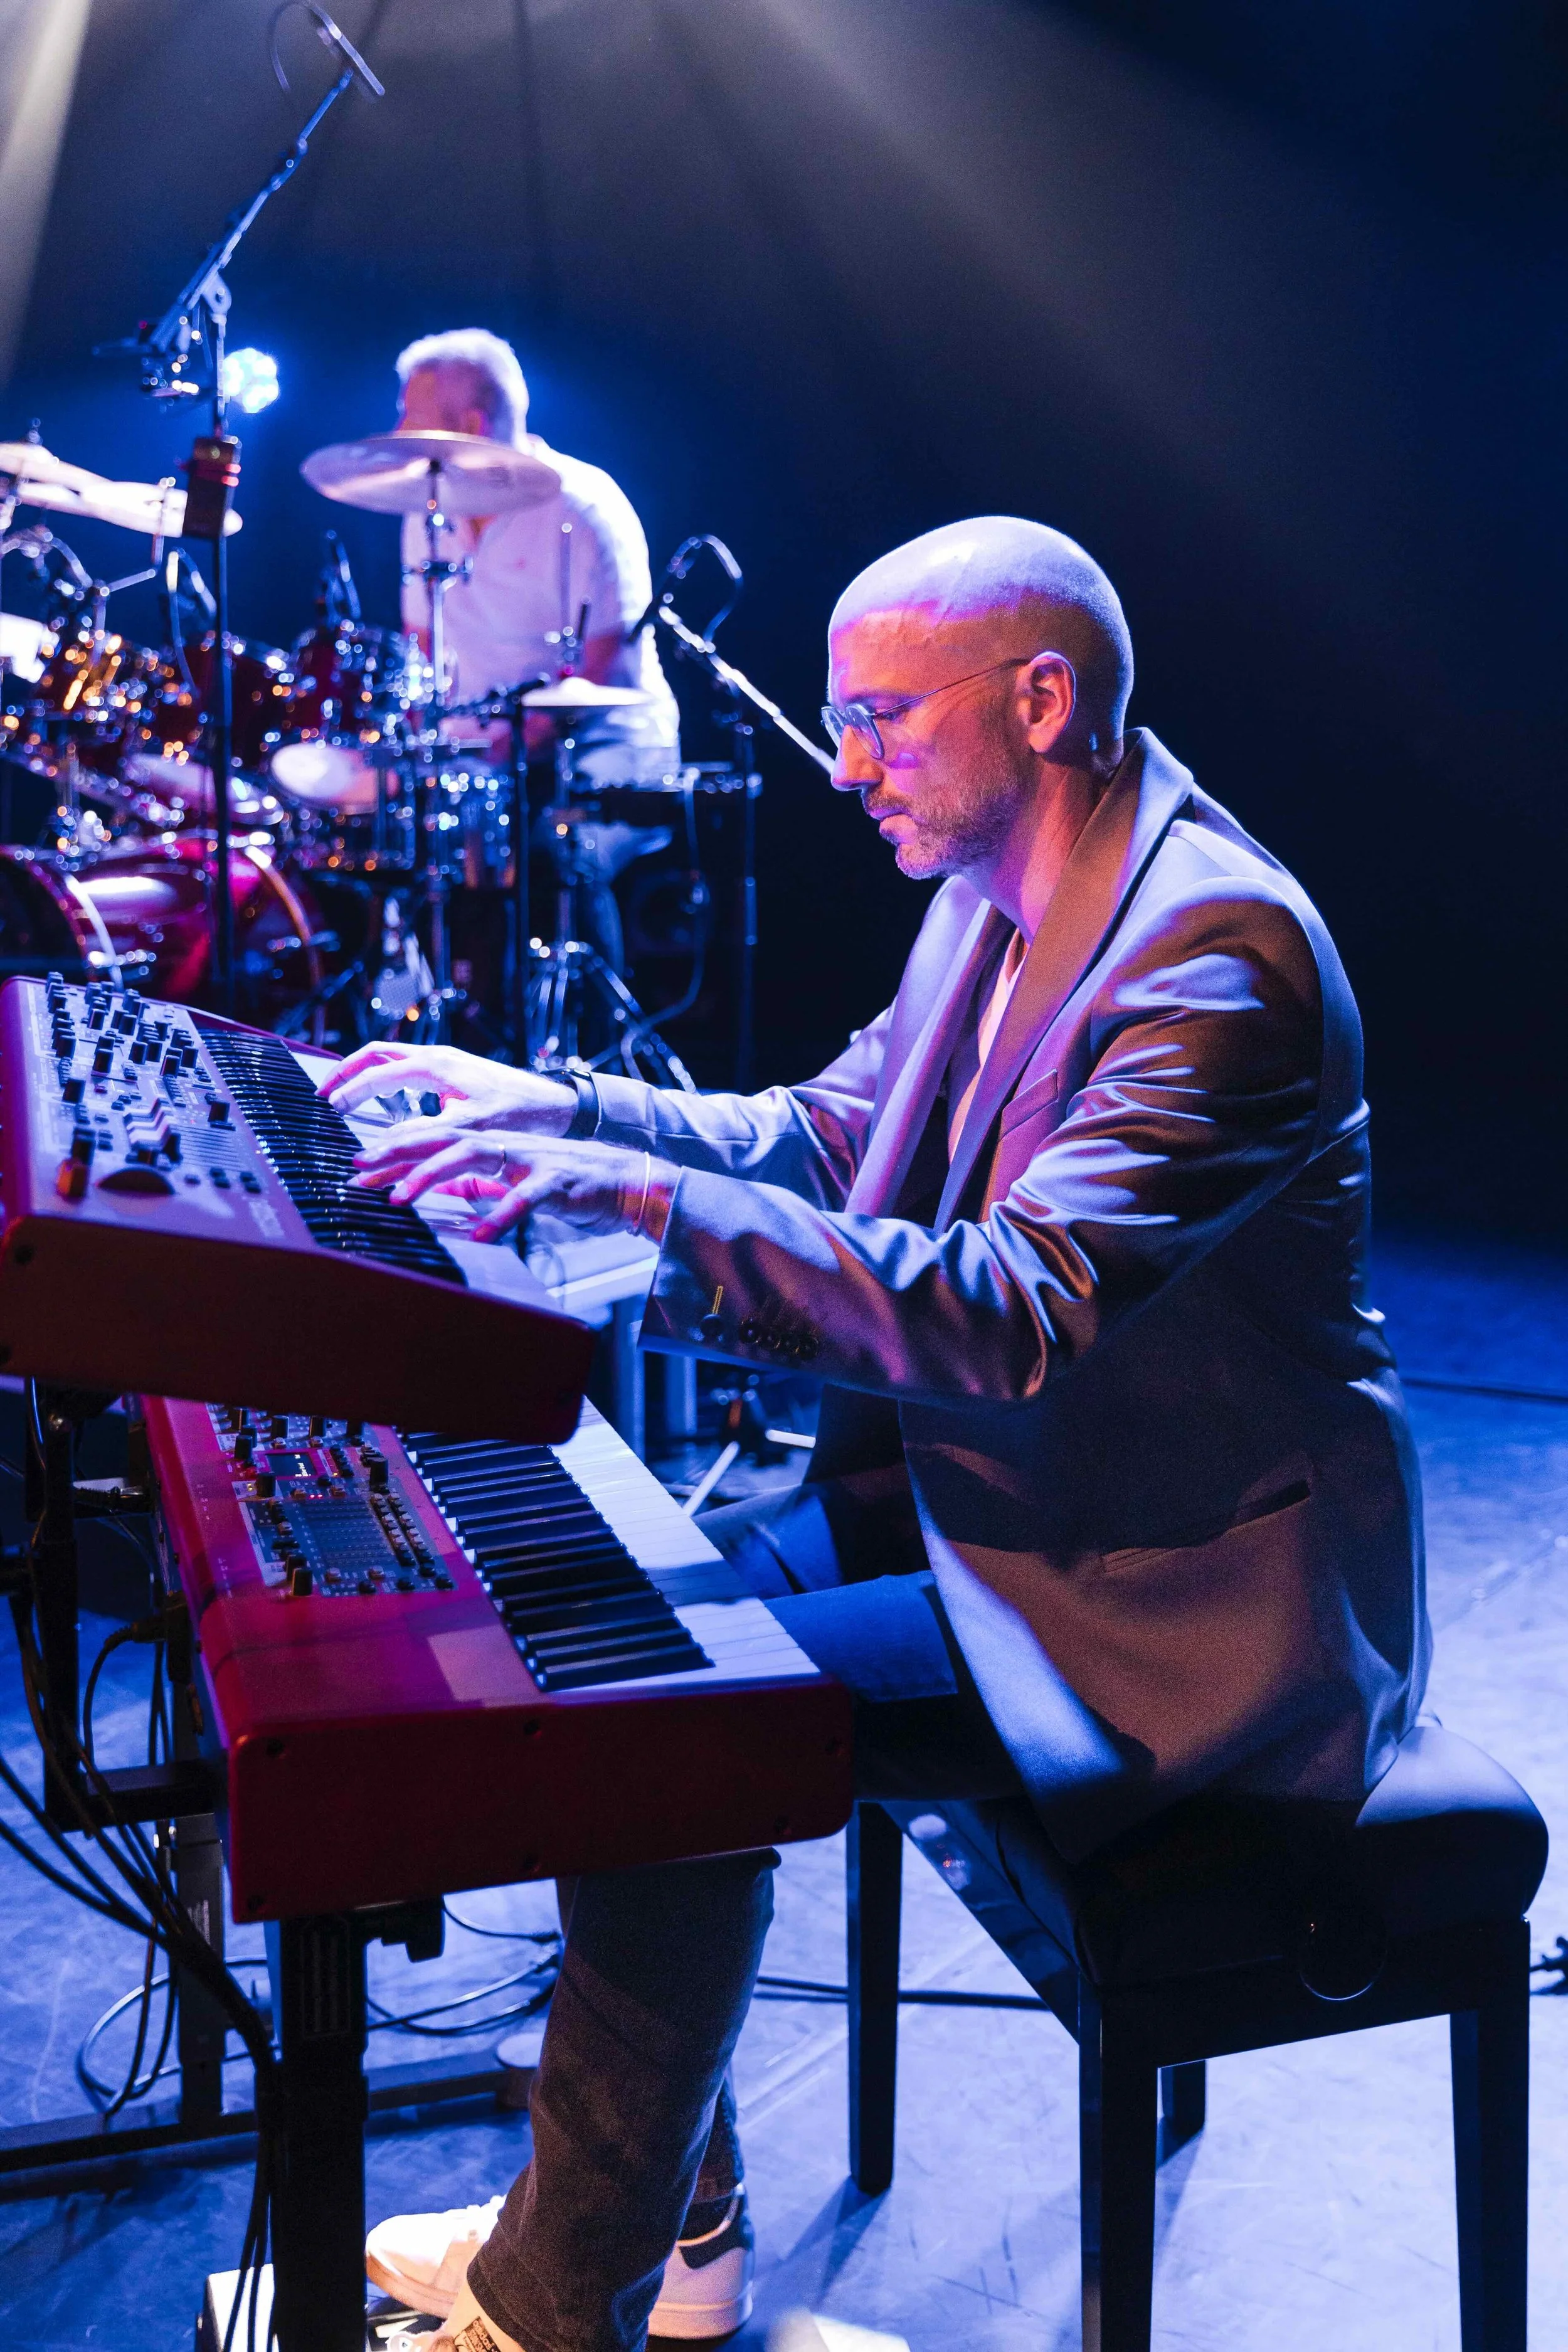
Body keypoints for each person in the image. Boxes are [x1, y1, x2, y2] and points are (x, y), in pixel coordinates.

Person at [326, 516, 1428, 2352]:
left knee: (661, 1730)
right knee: (608, 1653)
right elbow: (824, 1141)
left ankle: (555, 2297)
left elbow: (1005, 1307)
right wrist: (556, 1103)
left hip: (1161, 1583)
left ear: (1041, 697)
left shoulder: (1213, 950)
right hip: (989, 1503)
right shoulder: (986, 893)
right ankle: (661, 2253)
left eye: (878, 719)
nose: (838, 762)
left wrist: (638, 1210)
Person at [395, 327, 680, 783]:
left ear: (472, 427)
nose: (399, 434)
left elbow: (603, 665)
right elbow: (421, 645)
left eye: (411, 417)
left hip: (599, 749)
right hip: (479, 753)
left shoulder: (584, 508)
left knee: (551, 851)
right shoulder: (424, 510)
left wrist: (510, 754)